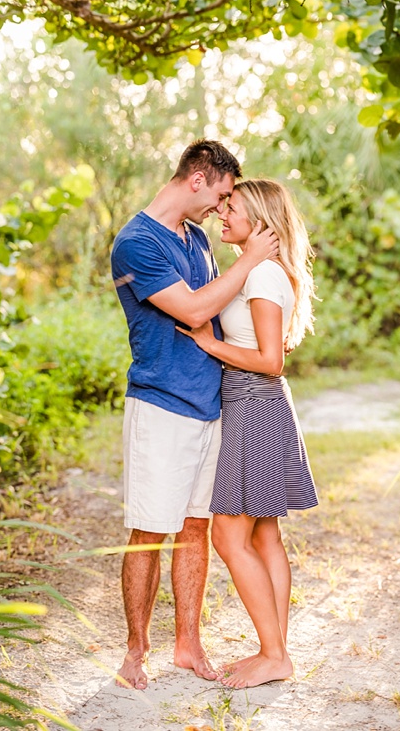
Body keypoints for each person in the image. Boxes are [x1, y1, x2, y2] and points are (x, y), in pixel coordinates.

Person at [110, 141, 280, 692]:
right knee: (148, 532)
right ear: (198, 180)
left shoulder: (200, 239)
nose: (221, 207)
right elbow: (196, 310)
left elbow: (227, 314)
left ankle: (188, 644)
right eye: (223, 195)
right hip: (161, 404)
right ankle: (136, 650)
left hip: (213, 408)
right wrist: (253, 259)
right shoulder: (136, 243)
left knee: (194, 530)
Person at [177, 178, 318, 690]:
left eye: (231, 207)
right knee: (263, 534)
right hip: (255, 405)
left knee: (228, 535)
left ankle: (275, 655)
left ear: (258, 219)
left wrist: (206, 343)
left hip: (253, 404)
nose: (222, 214)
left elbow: (271, 362)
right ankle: (273, 650)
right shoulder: (258, 272)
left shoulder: (260, 276)